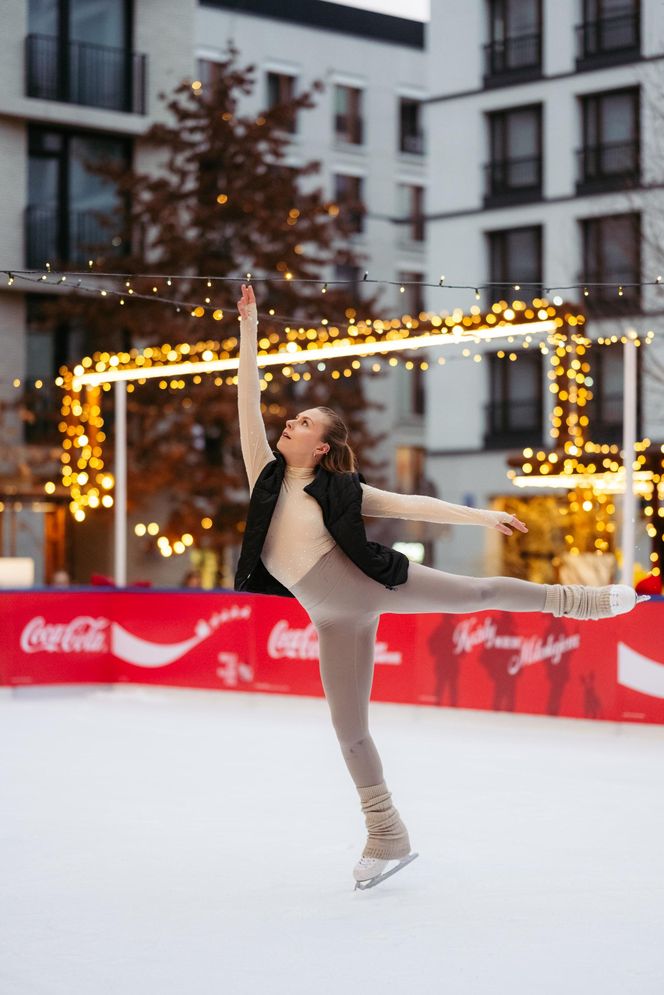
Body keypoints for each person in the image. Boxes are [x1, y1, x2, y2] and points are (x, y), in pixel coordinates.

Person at [234, 283, 650, 889]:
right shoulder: (263, 477)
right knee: (350, 732)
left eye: (301, 423)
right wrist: (248, 328)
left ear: (320, 446)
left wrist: (481, 515)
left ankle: (583, 603)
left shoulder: (341, 489)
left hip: (371, 586)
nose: (287, 425)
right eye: (291, 418)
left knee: (476, 593)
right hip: (329, 619)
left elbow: (415, 503)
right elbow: (246, 399)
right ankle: (387, 834)